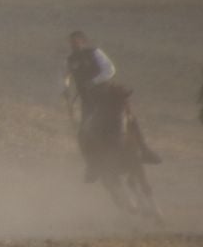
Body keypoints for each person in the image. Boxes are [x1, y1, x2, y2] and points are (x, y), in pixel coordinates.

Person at [63, 31, 158, 179]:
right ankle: (92, 164)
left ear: (83, 41)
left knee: (129, 117)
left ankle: (145, 150)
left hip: (106, 94)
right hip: (88, 100)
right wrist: (65, 88)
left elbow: (110, 70)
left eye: (76, 41)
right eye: (71, 42)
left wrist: (93, 82)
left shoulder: (95, 53)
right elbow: (65, 76)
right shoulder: (70, 60)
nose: (73, 44)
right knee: (83, 132)